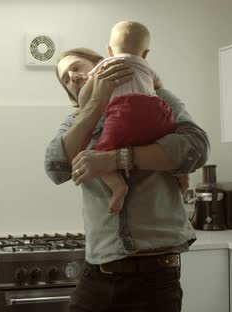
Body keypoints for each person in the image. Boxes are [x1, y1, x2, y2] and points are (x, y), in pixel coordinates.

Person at [45, 45, 210, 311]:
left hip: (155, 279)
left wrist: (116, 159)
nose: (72, 77)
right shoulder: (75, 121)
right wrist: (96, 103)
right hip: (96, 274)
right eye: (65, 79)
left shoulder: (156, 97)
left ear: (102, 63)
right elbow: (55, 168)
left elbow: (196, 148)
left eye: (75, 67)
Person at [83, 21, 177, 215]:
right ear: (145, 53)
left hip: (124, 113)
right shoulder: (147, 66)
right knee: (169, 142)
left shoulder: (106, 65)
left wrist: (86, 104)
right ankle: (181, 174)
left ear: (110, 50)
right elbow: (159, 85)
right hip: (157, 112)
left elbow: (85, 95)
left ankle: (118, 186)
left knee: (98, 155)